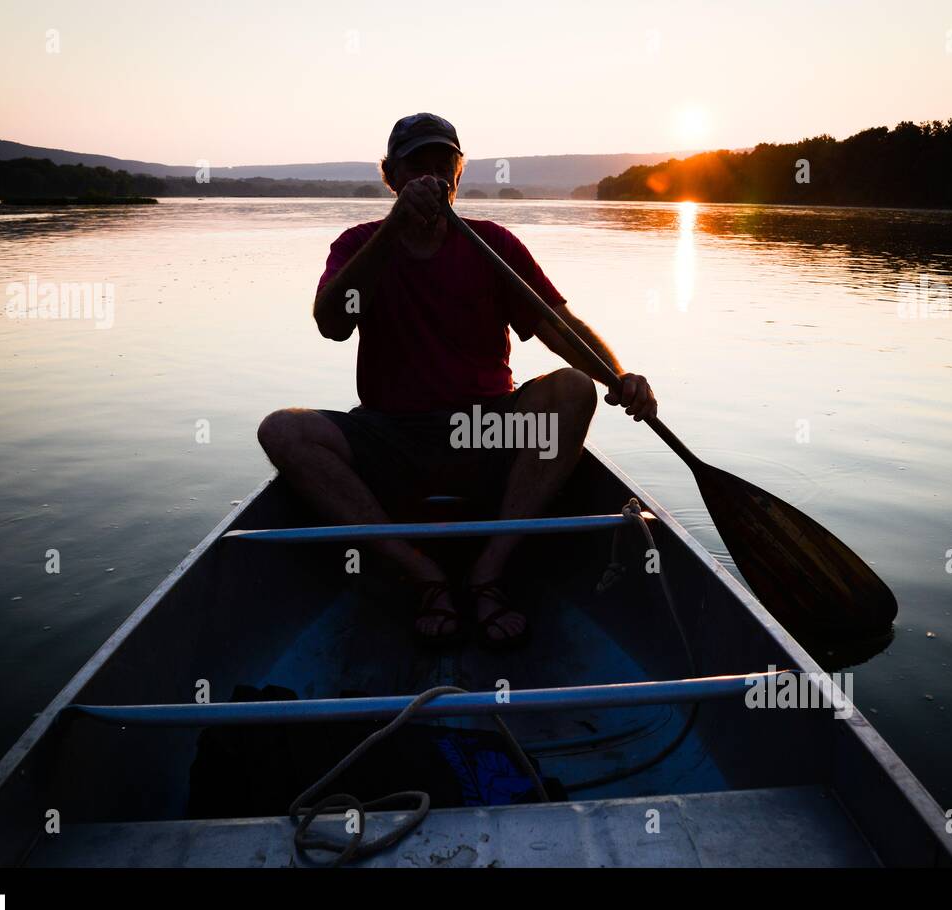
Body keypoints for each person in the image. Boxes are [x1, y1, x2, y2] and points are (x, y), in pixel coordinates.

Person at [257, 113, 656, 648]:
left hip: (486, 433)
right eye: (417, 165)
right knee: (282, 431)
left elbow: (559, 325)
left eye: (444, 164)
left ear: (460, 174)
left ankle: (488, 571)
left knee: (573, 389)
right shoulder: (358, 244)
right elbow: (333, 324)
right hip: (390, 435)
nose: (432, 176)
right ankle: (423, 575)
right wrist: (393, 230)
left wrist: (619, 376)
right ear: (390, 176)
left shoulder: (493, 244)